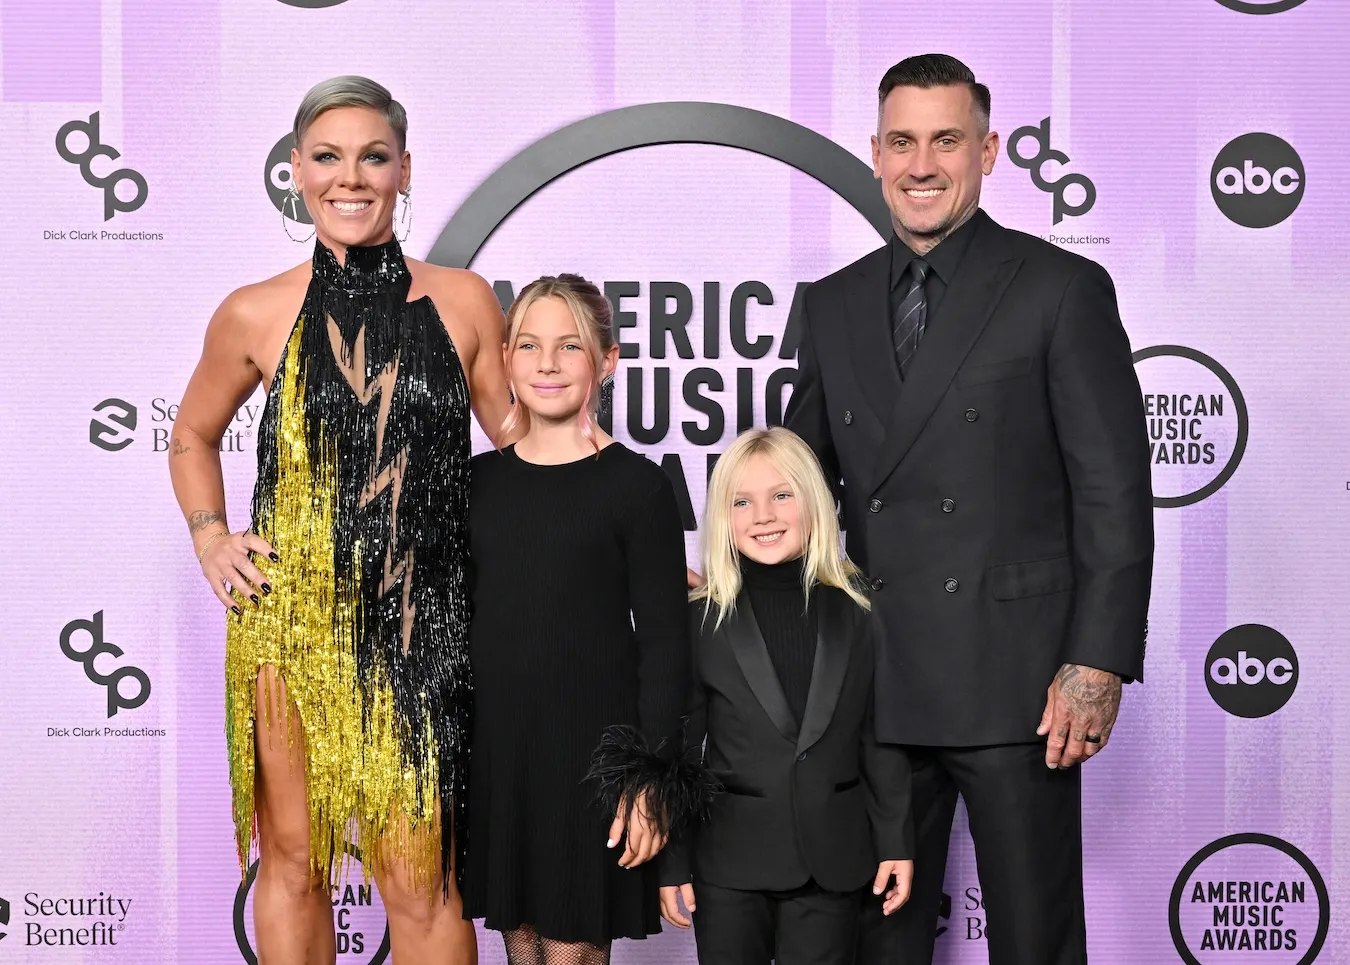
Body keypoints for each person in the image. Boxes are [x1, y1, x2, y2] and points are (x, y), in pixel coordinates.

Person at [783, 54, 1153, 964]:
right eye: (902, 142)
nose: (922, 165)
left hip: (1020, 682)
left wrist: (1098, 660)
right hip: (877, 682)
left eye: (946, 140)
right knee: (881, 941)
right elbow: (800, 484)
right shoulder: (830, 305)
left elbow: (1112, 490)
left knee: (1034, 938)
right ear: (875, 153)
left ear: (987, 152)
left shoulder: (1059, 289)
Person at [167, 75, 511, 964]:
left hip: (423, 624)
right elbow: (192, 435)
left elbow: (525, 450)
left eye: (372, 157)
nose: (349, 178)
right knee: (293, 859)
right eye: (327, 157)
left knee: (422, 880)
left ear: (404, 170)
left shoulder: (465, 300)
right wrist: (211, 536)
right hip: (291, 620)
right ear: (296, 170)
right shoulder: (253, 309)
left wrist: (623, 539)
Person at [463, 274, 707, 965]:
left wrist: (651, 779)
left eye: (569, 345)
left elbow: (665, 649)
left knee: (570, 951)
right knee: (521, 946)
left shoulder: (638, 486)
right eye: (530, 345)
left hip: (595, 760)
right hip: (501, 755)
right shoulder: (477, 484)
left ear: (607, 362)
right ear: (505, 358)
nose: (547, 363)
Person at [659, 427, 914, 965]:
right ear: (722, 517)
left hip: (833, 860)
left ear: (814, 502)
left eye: (781, 495)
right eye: (742, 502)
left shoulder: (861, 612)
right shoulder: (700, 619)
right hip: (728, 863)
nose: (763, 516)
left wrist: (895, 840)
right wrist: (672, 861)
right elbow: (680, 751)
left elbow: (878, 737)